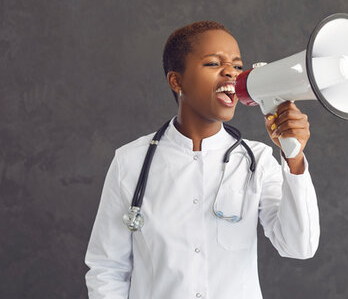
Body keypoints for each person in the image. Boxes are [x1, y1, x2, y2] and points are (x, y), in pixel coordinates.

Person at [84, 21, 319, 299]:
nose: (231, 72)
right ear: (176, 81)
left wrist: (293, 156)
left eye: (237, 65)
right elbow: (107, 269)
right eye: (212, 63)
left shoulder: (257, 160)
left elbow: (299, 246)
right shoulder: (130, 162)